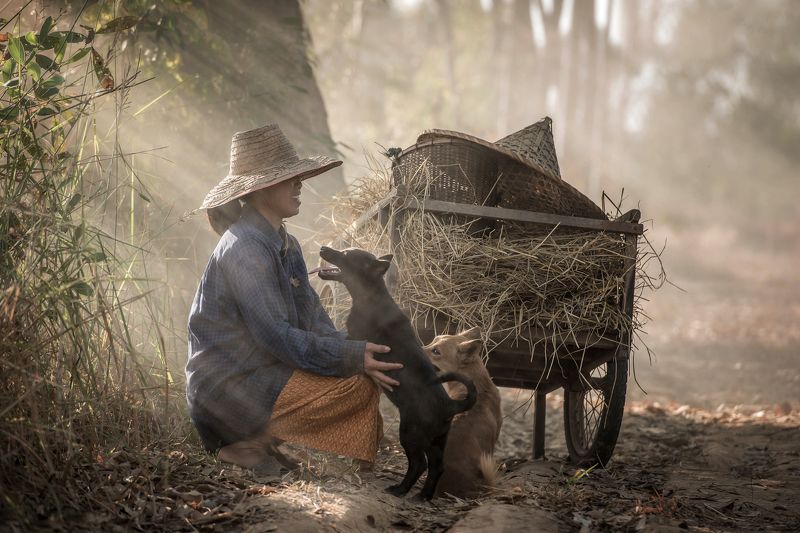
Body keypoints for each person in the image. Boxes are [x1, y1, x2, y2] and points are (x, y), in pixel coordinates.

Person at [186, 124, 402, 471]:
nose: (299, 184)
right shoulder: (245, 248)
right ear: (260, 189)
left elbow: (313, 319)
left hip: (261, 373)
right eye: (289, 178)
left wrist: (359, 350)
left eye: (299, 176)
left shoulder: (286, 243)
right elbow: (275, 335)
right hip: (228, 391)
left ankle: (262, 440)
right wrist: (349, 356)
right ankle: (240, 442)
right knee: (354, 386)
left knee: (360, 380)